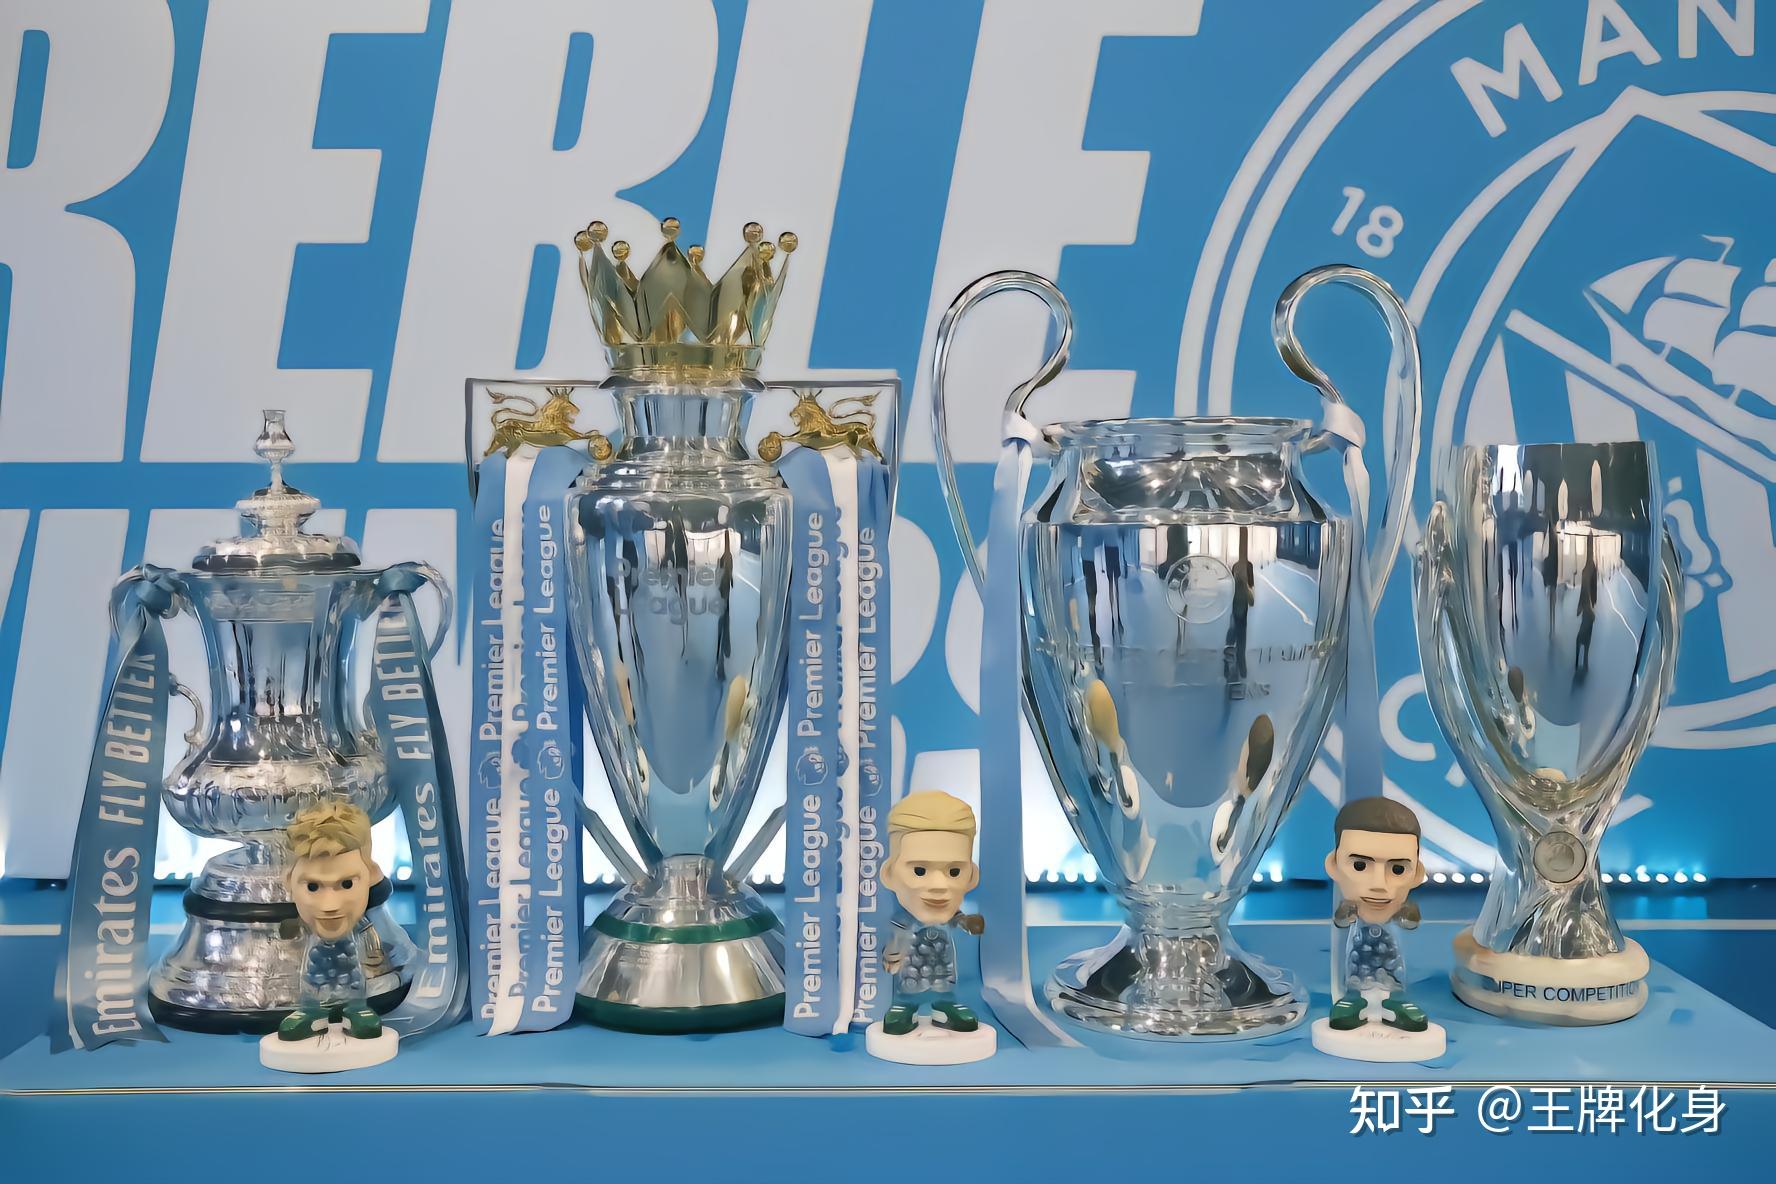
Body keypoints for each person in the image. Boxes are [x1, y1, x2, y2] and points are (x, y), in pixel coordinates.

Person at [879, 791, 984, 1037]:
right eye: (919, 870)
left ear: (972, 876)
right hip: (910, 971)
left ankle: (944, 1005)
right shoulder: (903, 920)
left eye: (954, 872)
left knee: (943, 985)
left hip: (942, 968)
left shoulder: (951, 917)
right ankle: (904, 1007)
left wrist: (968, 922)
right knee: (908, 991)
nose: (938, 885)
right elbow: (896, 938)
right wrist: (892, 954)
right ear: (889, 874)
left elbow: (959, 919)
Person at [278, 802, 385, 1042]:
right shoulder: (301, 929)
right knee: (311, 982)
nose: (329, 906)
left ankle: (356, 1009)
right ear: (288, 881)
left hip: (355, 984)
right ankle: (311, 1011)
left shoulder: (366, 927)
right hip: (314, 983)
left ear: (372, 875)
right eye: (313, 886)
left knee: (354, 981)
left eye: (346, 884)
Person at [1323, 796, 1429, 1033]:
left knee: (1396, 979)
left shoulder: (1401, 910)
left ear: (1417, 874)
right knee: (1353, 978)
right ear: (1333, 866)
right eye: (1360, 866)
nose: (1378, 885)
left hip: (1390, 956)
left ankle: (1398, 1003)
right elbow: (1340, 922)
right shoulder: (1350, 909)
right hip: (1358, 955)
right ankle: (1351, 1001)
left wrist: (1409, 915)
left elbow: (1410, 925)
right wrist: (1344, 914)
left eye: (1397, 869)